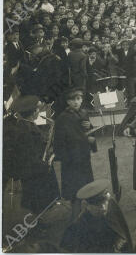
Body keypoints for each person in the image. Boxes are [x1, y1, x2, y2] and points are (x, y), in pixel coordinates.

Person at [10, 95, 59, 215]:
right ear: (33, 112)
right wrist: (43, 163)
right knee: (37, 198)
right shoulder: (26, 129)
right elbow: (28, 153)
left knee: (37, 198)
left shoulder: (24, 125)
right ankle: (37, 222)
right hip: (34, 169)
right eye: (37, 110)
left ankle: (38, 219)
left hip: (34, 167)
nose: (39, 112)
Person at [53, 87, 95, 219]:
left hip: (83, 157)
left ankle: (89, 212)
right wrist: (86, 139)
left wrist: (90, 127)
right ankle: (75, 217)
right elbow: (67, 138)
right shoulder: (63, 118)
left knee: (86, 184)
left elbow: (85, 131)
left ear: (82, 99)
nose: (76, 102)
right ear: (67, 102)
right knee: (75, 188)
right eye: (73, 100)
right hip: (71, 158)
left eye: (79, 98)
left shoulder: (83, 113)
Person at [60, 180, 132, 253]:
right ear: (87, 206)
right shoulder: (80, 225)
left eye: (105, 203)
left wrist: (120, 241)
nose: (103, 208)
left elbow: (122, 230)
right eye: (98, 206)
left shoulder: (111, 204)